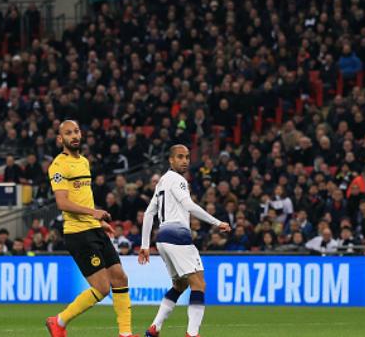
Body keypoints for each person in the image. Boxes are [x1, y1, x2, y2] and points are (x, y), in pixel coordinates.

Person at [45, 120, 138, 337]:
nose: (74, 136)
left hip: (93, 228)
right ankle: (58, 321)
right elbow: (62, 203)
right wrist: (93, 213)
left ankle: (125, 333)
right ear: (61, 140)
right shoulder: (58, 166)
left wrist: (98, 221)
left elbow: (83, 199)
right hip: (78, 234)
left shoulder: (84, 162)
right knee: (103, 288)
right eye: (68, 133)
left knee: (120, 278)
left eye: (77, 131)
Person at [139, 145, 231, 337]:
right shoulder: (178, 180)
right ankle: (192, 333)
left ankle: (154, 328)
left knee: (180, 285)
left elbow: (149, 213)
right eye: (180, 157)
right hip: (177, 237)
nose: (185, 161)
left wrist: (145, 245)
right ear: (171, 160)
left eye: (187, 157)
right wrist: (217, 222)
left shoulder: (162, 181)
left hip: (162, 239)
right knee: (199, 284)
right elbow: (188, 205)